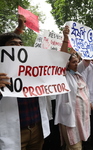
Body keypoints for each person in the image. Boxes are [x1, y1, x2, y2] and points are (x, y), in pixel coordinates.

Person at [0, 16, 50, 150]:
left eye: (20, 44)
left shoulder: (33, 67)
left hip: (36, 129)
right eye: (13, 44)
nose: (18, 47)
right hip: (14, 132)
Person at [54, 26, 91, 150]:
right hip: (70, 117)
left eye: (77, 61)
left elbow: (87, 60)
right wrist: (65, 38)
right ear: (67, 63)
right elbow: (61, 59)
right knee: (74, 146)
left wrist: (88, 43)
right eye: (74, 62)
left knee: (78, 143)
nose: (77, 64)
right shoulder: (63, 75)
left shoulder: (77, 74)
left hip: (81, 118)